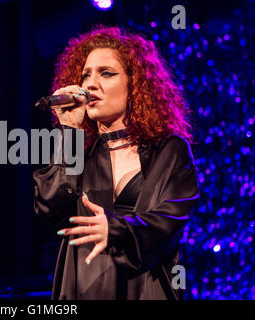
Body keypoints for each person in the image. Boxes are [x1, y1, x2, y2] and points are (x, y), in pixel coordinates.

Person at [33, 26, 199, 300]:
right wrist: (69, 133)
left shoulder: (169, 150)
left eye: (106, 73)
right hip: (84, 288)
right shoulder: (80, 154)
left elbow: (169, 219)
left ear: (135, 84)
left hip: (144, 287)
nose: (90, 84)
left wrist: (116, 228)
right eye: (86, 74)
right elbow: (48, 206)